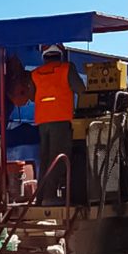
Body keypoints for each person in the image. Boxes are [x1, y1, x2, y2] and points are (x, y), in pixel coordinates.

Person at [31, 44, 85, 201]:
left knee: (45, 159)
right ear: (60, 55)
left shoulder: (35, 74)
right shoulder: (66, 69)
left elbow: (33, 96)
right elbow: (80, 88)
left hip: (43, 122)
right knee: (58, 158)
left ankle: (41, 197)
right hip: (60, 120)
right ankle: (50, 196)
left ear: (44, 57)